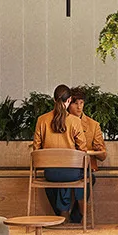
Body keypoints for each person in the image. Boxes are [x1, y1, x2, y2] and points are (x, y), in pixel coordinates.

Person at [32, 83, 89, 223]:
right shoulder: (75, 121)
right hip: (71, 173)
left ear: (53, 100)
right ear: (69, 100)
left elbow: (36, 149)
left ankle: (64, 216)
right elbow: (83, 150)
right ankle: (83, 215)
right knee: (81, 175)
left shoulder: (42, 120)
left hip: (50, 173)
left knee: (65, 177)